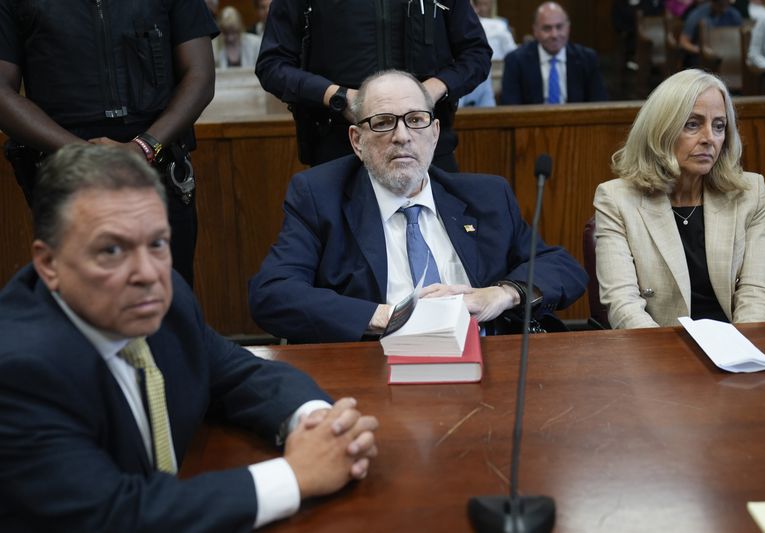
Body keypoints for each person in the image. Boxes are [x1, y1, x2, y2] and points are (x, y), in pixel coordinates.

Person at [0, 144, 379, 530]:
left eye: (157, 244)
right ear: (48, 264)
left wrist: (319, 425)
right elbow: (115, 515)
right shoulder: (18, 371)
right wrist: (295, 476)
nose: (147, 273)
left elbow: (238, 373)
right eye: (112, 250)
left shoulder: (166, 299)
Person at [248, 70, 588, 344]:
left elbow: (562, 267)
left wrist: (500, 295)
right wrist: (390, 317)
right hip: (376, 371)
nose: (402, 136)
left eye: (415, 120)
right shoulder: (320, 196)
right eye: (383, 122)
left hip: (486, 361)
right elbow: (273, 295)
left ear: (435, 133)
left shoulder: (486, 195)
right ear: (357, 140)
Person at [0, 0, 217, 287]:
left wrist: (144, 147)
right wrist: (82, 154)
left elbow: (200, 76)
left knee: (165, 302)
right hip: (67, 173)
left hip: (156, 167)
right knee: (81, 303)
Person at [593, 69, 765, 329]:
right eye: (693, 124)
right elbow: (623, 306)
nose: (709, 139)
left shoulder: (751, 193)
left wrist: (742, 354)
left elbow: (756, 295)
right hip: (657, 350)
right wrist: (667, 364)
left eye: (719, 126)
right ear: (661, 131)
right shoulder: (616, 200)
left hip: (742, 346)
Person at [255, 0, 492, 171]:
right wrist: (337, 96)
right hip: (339, 147)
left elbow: (476, 54)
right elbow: (272, 65)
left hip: (426, 149)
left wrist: (432, 89)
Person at [500, 2, 608, 105]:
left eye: (559, 27)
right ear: (535, 30)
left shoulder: (587, 58)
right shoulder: (515, 61)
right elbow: (510, 108)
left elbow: (599, 104)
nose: (554, 35)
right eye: (547, 28)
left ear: (568, 28)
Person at [678, 0, 742, 68]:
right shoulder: (697, 14)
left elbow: (738, 40)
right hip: (701, 58)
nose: (723, 5)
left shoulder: (734, 15)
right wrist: (700, 50)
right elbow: (683, 42)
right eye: (720, 3)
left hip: (729, 57)